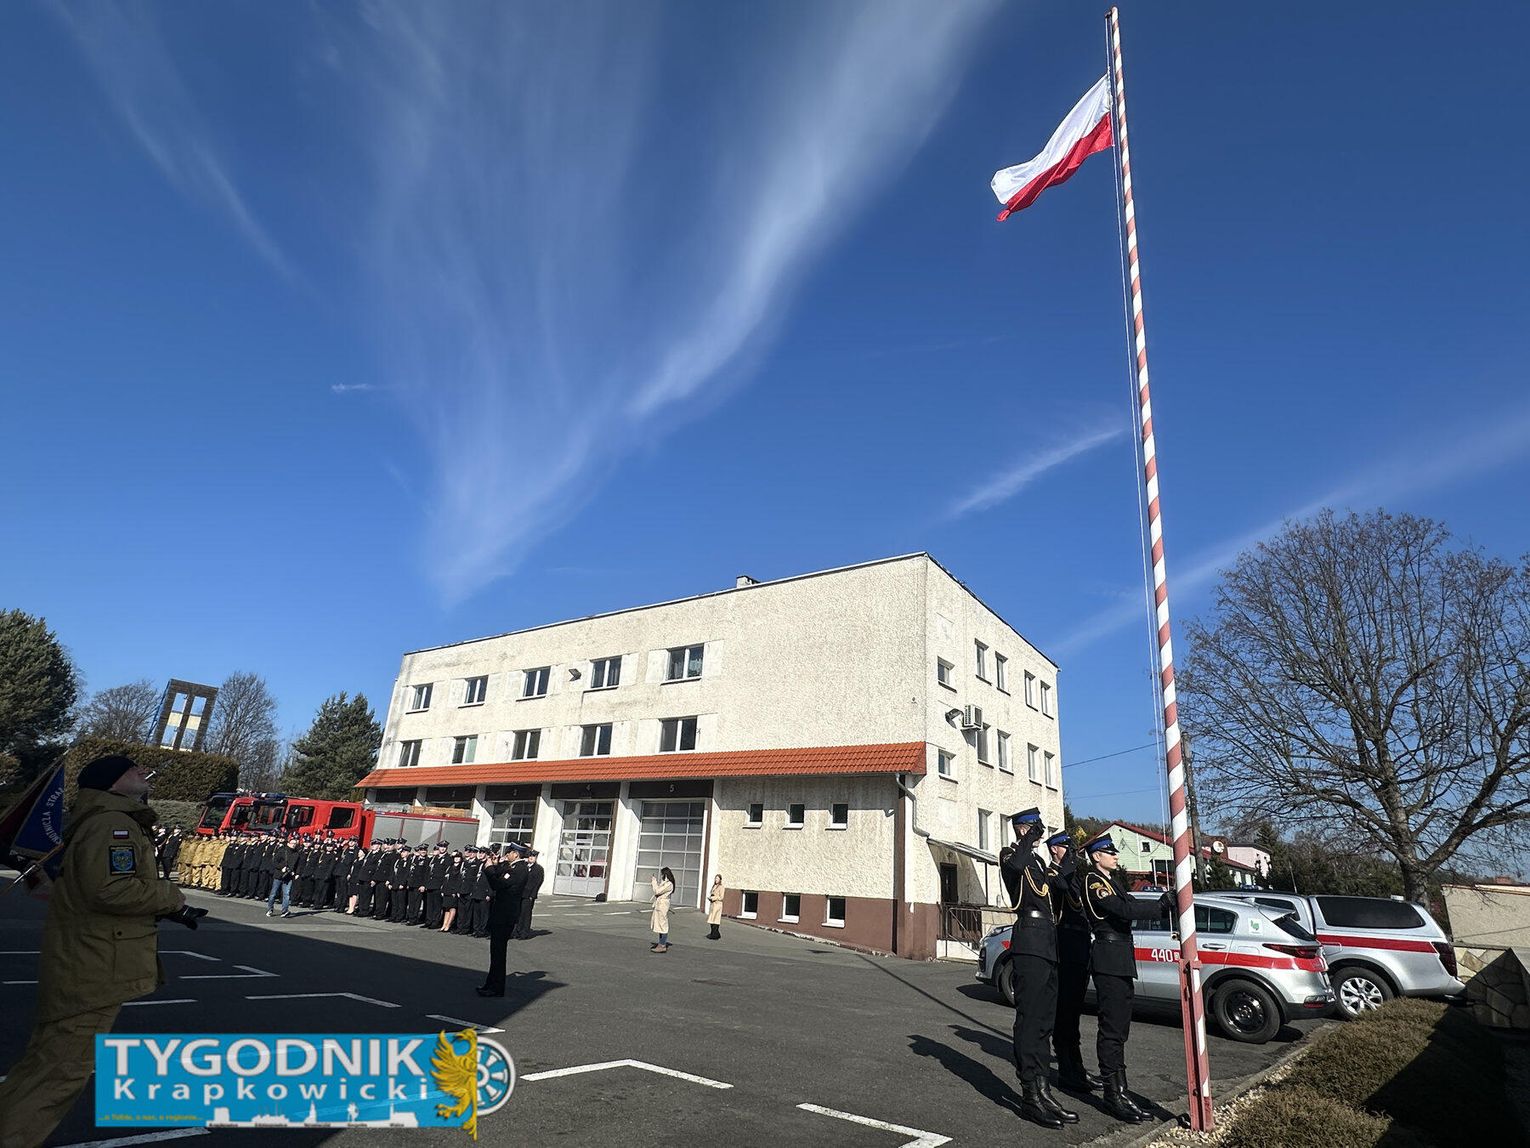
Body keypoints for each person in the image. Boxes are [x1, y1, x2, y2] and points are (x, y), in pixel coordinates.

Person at [0, 754, 186, 1148]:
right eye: (132, 768)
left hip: (84, 958)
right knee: (59, 1075)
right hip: (95, 966)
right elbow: (111, 890)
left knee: (41, 1067)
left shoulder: (99, 820)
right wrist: (171, 896)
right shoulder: (113, 823)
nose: (143, 772)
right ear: (112, 782)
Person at [1082, 833, 1176, 1123]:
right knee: (1111, 1028)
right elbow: (1123, 909)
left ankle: (1121, 1090)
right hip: (1109, 958)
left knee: (1120, 1028)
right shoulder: (1094, 882)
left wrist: (1161, 904)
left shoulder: (1113, 882)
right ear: (1096, 856)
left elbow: (1131, 904)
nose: (1115, 856)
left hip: (1120, 958)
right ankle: (1113, 1094)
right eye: (1110, 852)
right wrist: (1160, 906)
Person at [1000, 808, 1075, 1130]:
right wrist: (1029, 837)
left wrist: (1069, 855)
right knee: (1030, 1020)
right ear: (1021, 829)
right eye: (1032, 827)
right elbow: (1015, 866)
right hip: (1029, 940)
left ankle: (1044, 1090)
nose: (1039, 832)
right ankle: (1030, 1094)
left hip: (1047, 941)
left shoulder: (1039, 862)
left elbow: (1061, 886)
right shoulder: (1010, 855)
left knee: (1045, 1021)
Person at [1048, 830, 1100, 1095]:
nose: (1071, 854)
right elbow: (1061, 889)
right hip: (1065, 945)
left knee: (1074, 1011)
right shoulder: (1052, 873)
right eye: (1066, 849)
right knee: (1065, 1011)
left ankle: (1077, 1067)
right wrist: (1068, 863)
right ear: (1055, 849)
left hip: (1080, 944)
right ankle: (1067, 1070)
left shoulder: (1074, 875)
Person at [478, 845, 528, 997]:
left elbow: (498, 884)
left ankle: (497, 988)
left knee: (499, 953)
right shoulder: (513, 867)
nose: (507, 855)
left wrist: (489, 869)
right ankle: (490, 983)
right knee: (495, 953)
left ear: (516, 854)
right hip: (501, 914)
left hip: (505, 916)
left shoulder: (519, 869)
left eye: (509, 853)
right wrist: (494, 865)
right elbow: (501, 874)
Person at [266, 834, 300, 918]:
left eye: (295, 844)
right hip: (279, 875)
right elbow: (275, 861)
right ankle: (270, 909)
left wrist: (296, 873)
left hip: (288, 876)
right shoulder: (282, 851)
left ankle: (285, 911)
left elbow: (298, 865)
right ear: (288, 843)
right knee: (273, 893)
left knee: (286, 894)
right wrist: (281, 868)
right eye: (292, 843)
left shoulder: (296, 853)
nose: (294, 845)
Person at [512, 848, 544, 939]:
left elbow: (538, 883)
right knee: (518, 913)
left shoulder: (538, 869)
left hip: (529, 895)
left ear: (536, 858)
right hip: (520, 893)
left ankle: (524, 932)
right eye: (530, 856)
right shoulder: (524, 866)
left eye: (533, 856)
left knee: (525, 914)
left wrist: (532, 895)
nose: (531, 858)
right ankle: (517, 931)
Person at [649, 867, 675, 953]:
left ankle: (662, 945)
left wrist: (654, 882)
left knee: (663, 925)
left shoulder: (669, 884)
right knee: (659, 925)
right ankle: (660, 944)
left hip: (662, 906)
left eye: (662, 874)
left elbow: (657, 891)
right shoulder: (665, 883)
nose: (661, 876)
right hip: (659, 905)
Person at [705, 874, 725, 940]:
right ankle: (714, 933)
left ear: (720, 880)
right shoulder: (714, 886)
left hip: (717, 905)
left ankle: (714, 934)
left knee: (715, 920)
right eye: (715, 878)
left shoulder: (721, 887)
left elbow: (721, 897)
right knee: (711, 920)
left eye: (717, 879)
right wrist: (710, 897)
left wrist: (714, 898)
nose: (716, 880)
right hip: (712, 905)